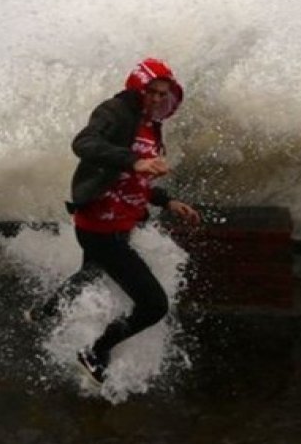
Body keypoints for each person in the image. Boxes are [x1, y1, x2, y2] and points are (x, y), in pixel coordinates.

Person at [29, 57, 201, 384]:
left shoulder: (152, 127)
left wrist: (168, 201)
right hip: (101, 227)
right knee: (153, 305)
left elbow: (135, 180)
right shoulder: (116, 112)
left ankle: (43, 312)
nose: (157, 99)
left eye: (163, 94)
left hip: (119, 225)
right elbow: (84, 143)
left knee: (91, 273)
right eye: (151, 92)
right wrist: (133, 161)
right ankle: (96, 351)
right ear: (138, 89)